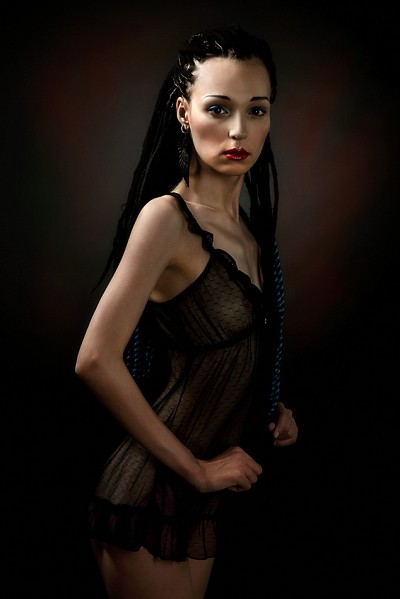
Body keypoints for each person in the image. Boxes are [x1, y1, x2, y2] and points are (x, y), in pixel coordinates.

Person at [75, 24, 298, 599]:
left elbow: (222, 355)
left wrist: (271, 405)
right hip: (149, 492)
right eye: (218, 108)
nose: (238, 130)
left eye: (256, 110)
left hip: (203, 503)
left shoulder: (251, 234)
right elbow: (95, 358)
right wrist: (197, 470)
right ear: (183, 112)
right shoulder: (167, 220)